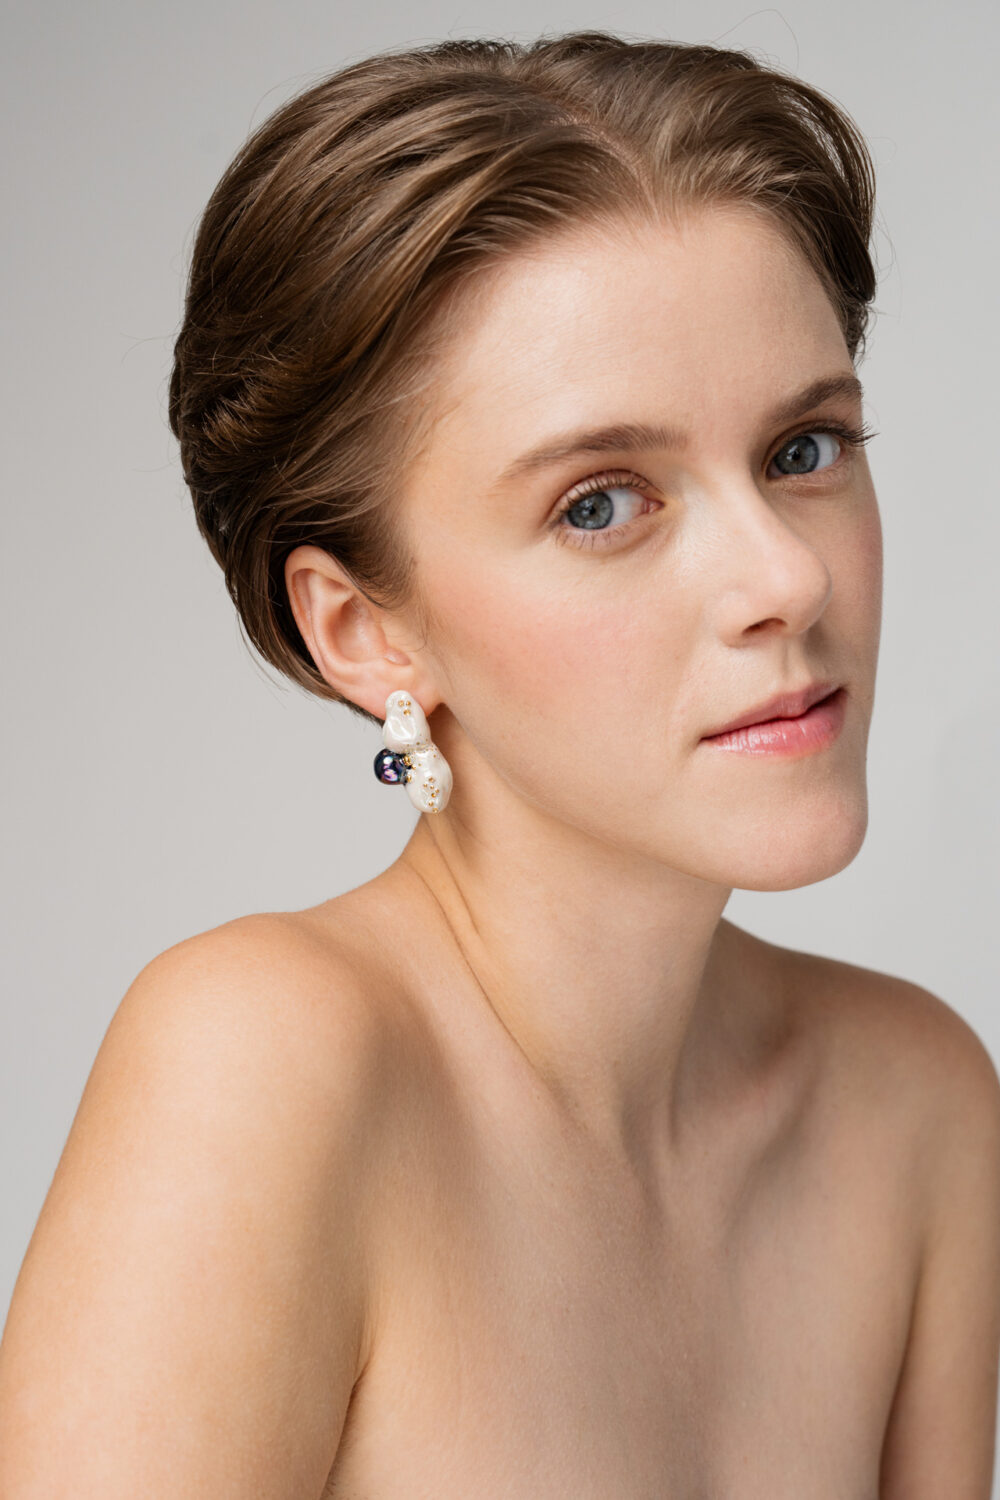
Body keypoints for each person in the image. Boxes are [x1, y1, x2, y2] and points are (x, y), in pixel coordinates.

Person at [1, 30, 998, 1498]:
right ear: (363, 630)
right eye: (601, 503)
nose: (788, 580)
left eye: (805, 449)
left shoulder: (917, 1103)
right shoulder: (264, 1068)